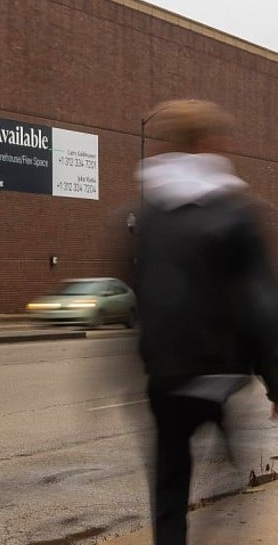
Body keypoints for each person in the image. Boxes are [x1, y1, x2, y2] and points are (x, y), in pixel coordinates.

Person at [134, 99, 278, 544]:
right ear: (211, 142)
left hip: (165, 375)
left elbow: (134, 288)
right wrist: (275, 382)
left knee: (170, 488)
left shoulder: (149, 210)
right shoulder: (235, 210)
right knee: (232, 472)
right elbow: (260, 304)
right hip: (218, 370)